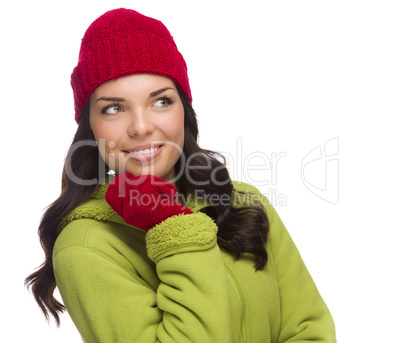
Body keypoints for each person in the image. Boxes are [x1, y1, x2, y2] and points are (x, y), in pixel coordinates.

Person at [25, 8, 336, 342]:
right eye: (113, 108)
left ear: (183, 111)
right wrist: (174, 229)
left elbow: (310, 328)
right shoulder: (85, 246)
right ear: (90, 126)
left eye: (160, 101)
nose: (141, 127)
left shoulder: (244, 202)